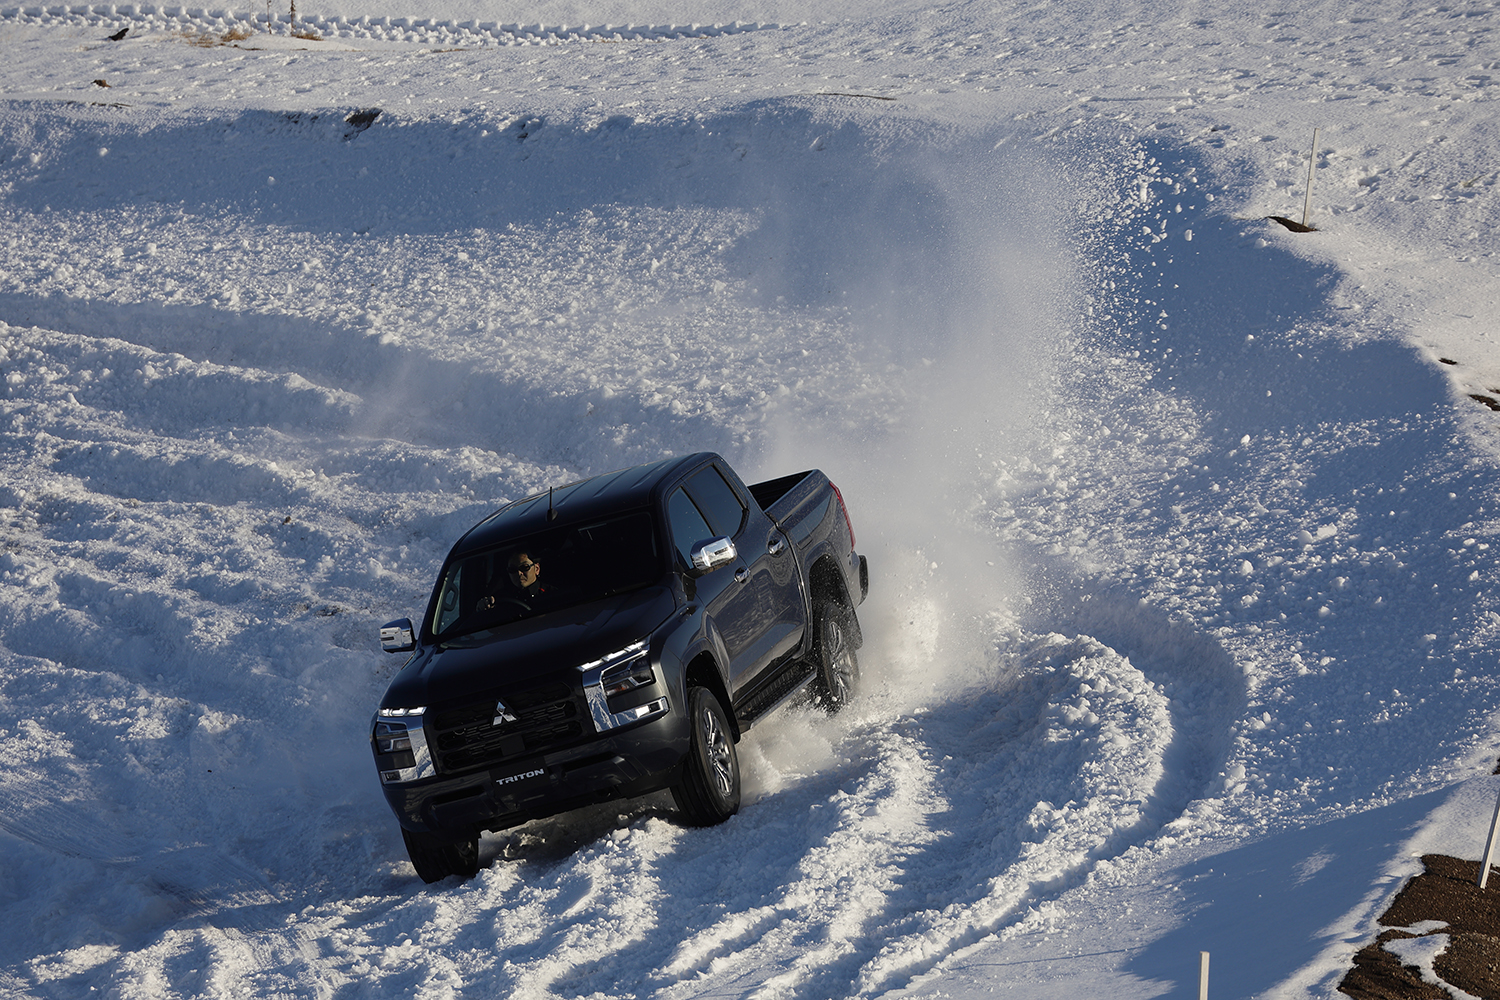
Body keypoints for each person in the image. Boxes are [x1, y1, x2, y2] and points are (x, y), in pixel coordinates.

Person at [477, 551, 546, 611]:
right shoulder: (499, 598)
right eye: (512, 569)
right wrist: (483, 606)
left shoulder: (550, 593)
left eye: (524, 567)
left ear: (537, 569)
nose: (519, 573)